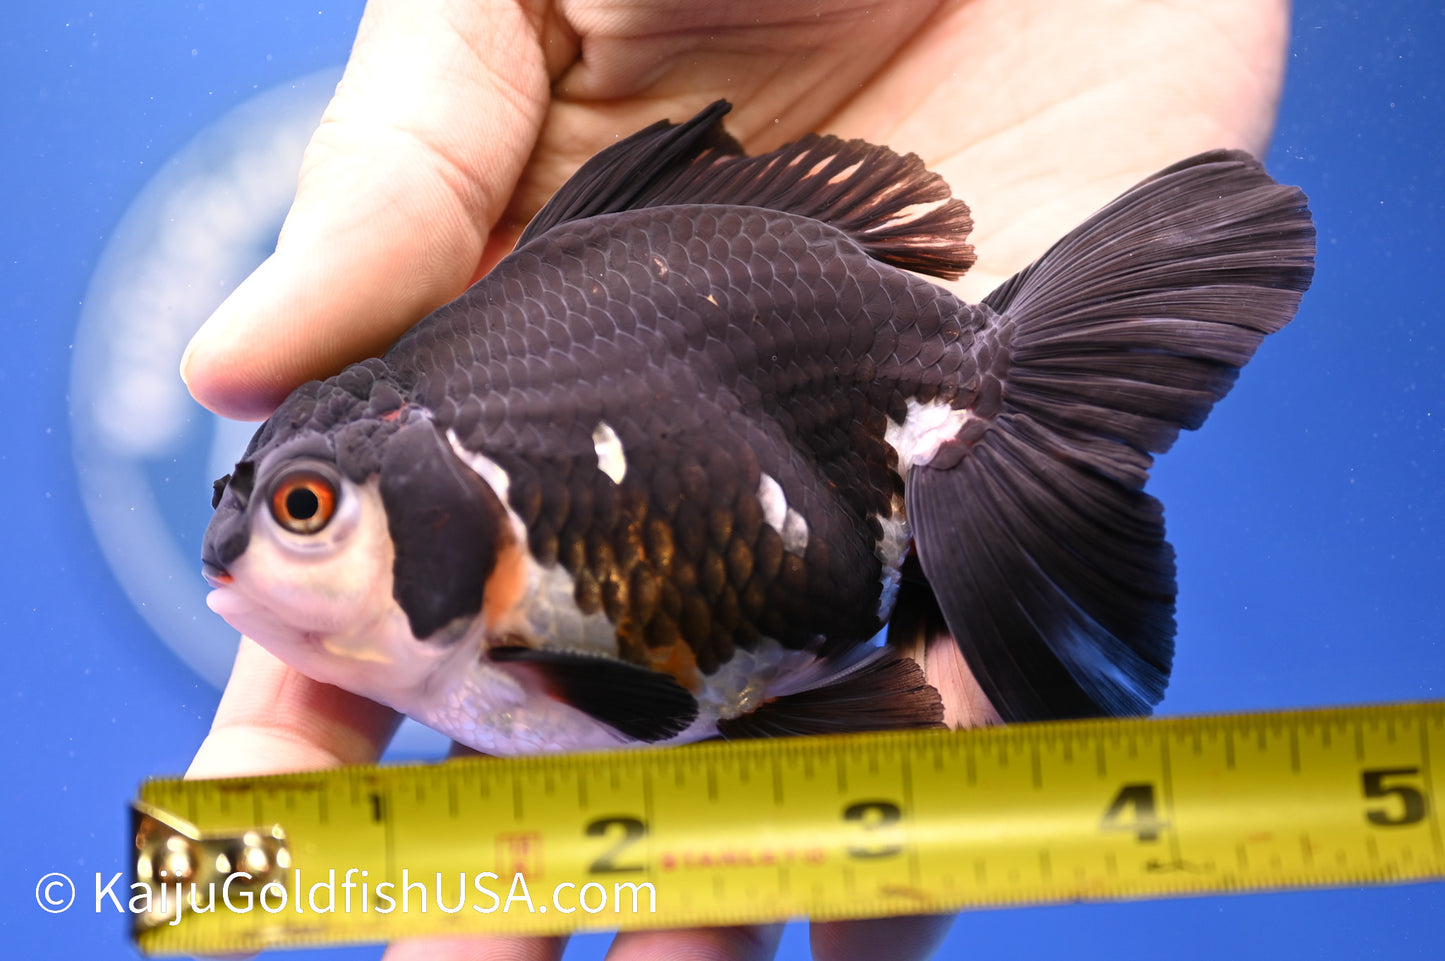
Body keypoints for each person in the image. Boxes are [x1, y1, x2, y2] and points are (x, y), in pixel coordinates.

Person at [180, 1, 1293, 958]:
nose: (248, 559)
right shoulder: (477, 625)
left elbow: (647, 701)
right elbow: (656, 704)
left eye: (305, 510)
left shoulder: (503, 616)